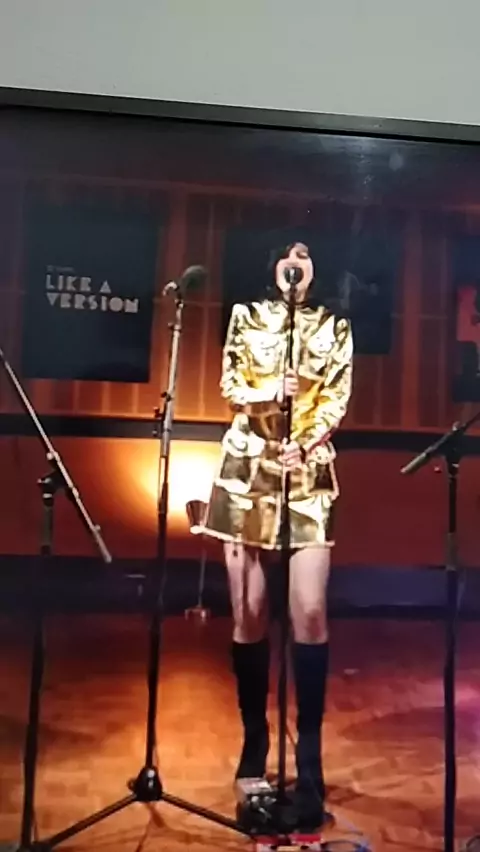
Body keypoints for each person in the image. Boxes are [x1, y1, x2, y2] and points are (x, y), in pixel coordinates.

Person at [201, 238, 354, 827]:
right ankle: (254, 743)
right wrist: (271, 396)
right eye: (288, 253)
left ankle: (308, 758)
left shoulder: (334, 326)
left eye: (308, 254)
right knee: (249, 613)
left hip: (306, 471)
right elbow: (231, 385)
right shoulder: (246, 315)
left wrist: (306, 442)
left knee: (310, 610)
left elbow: (336, 395)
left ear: (317, 268)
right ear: (272, 263)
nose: (298, 262)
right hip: (247, 468)